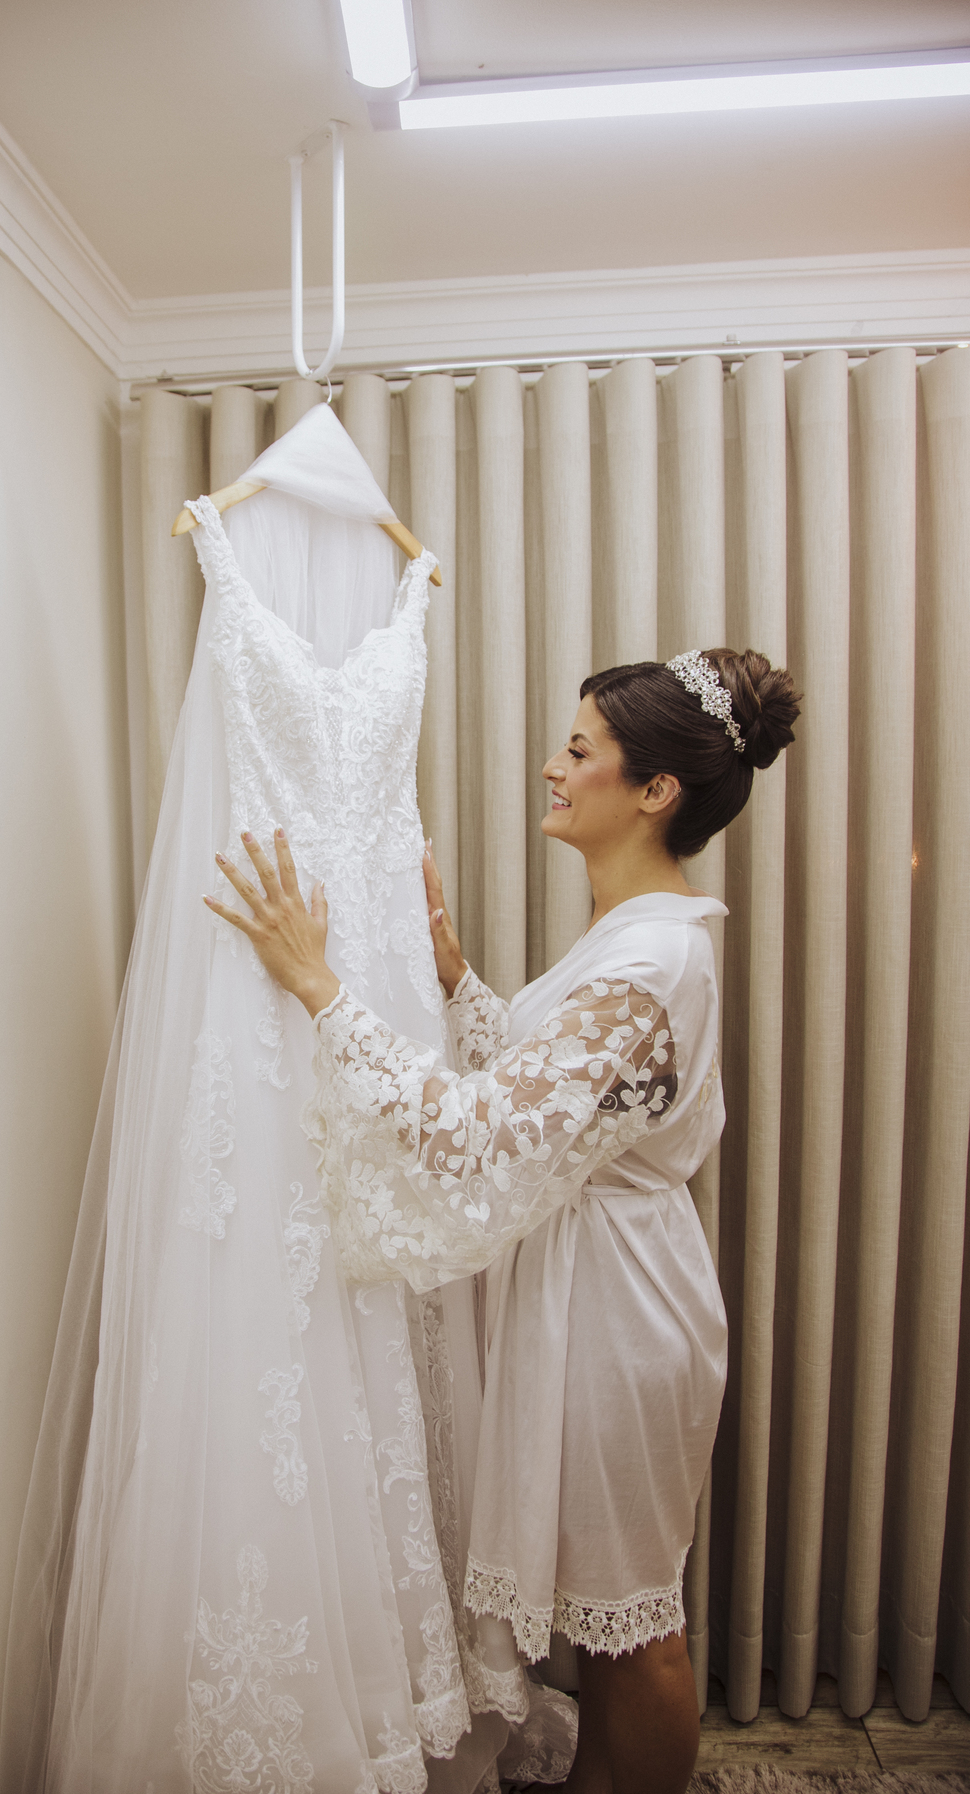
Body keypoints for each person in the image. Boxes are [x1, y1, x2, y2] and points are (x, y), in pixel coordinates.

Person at [205, 647, 800, 1794]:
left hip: (623, 1315)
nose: (552, 768)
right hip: (599, 1291)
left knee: (635, 1628)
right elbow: (563, 1100)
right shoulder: (634, 933)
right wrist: (457, 980)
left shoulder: (653, 957)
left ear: (656, 790)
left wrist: (320, 987)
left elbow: (483, 1135)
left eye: (579, 751)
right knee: (606, 1621)